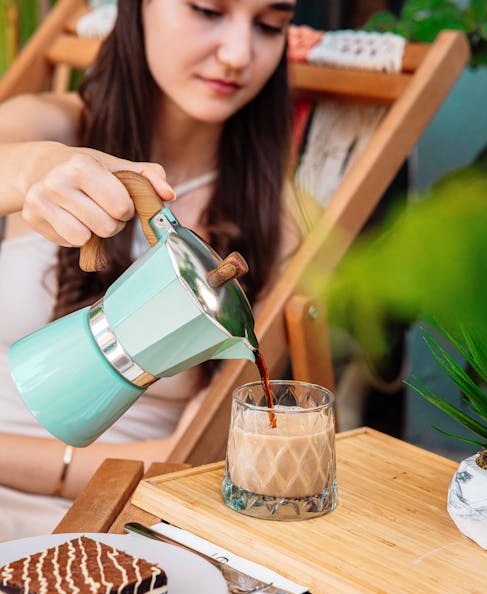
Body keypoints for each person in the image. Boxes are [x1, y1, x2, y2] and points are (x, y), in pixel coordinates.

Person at [0, 0, 300, 541]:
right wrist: (35, 168)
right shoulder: (48, 126)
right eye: (208, 10)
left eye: (269, 26)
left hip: (103, 521)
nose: (238, 54)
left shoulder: (276, 221)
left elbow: (190, 458)